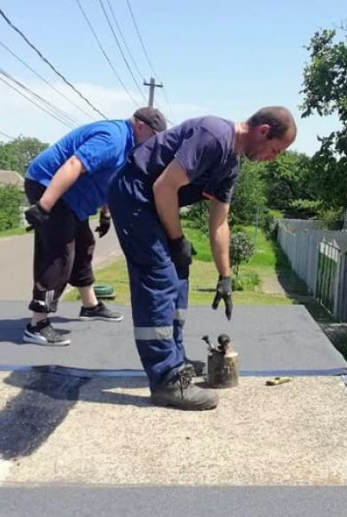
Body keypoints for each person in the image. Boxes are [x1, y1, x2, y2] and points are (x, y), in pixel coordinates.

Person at [107, 106, 296, 410]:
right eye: (275, 149)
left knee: (180, 273)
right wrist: (176, 238)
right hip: (133, 194)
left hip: (152, 201)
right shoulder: (214, 135)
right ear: (263, 131)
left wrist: (225, 276)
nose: (273, 158)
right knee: (158, 277)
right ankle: (166, 381)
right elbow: (164, 186)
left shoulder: (230, 166)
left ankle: (176, 359)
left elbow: (219, 221)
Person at [22, 107, 167, 346]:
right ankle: (37, 323)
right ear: (141, 126)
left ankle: (90, 306)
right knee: (59, 254)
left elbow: (109, 180)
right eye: (154, 135)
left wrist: (106, 214)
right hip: (48, 185)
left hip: (72, 199)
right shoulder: (113, 138)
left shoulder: (130, 146)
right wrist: (44, 206)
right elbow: (73, 165)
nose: (156, 142)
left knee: (84, 244)